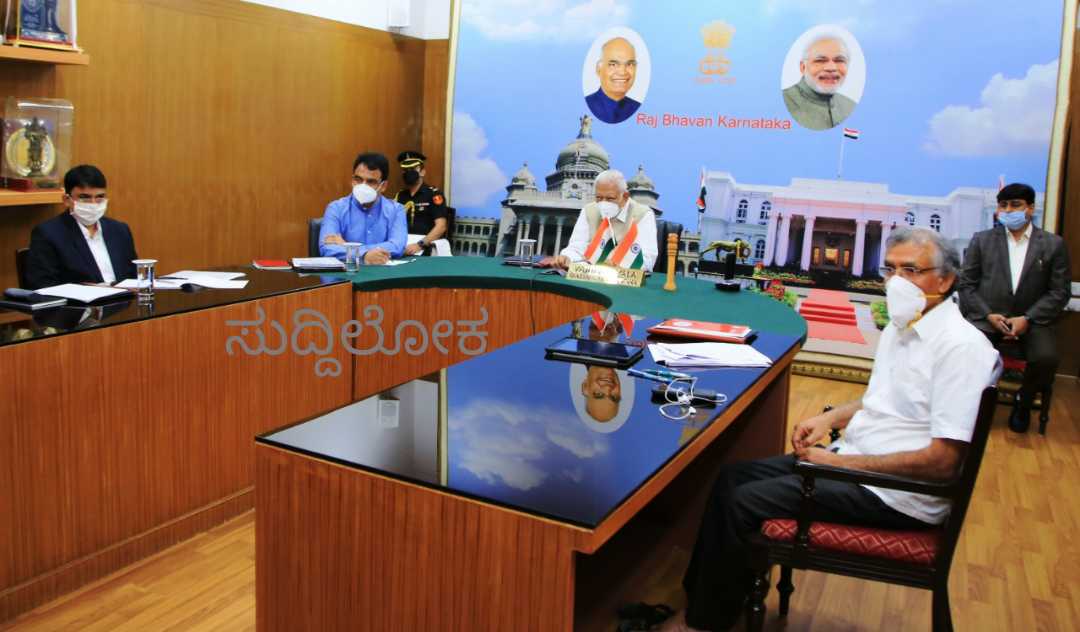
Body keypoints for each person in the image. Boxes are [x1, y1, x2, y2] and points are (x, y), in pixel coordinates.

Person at [657, 227, 998, 632]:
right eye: (890, 270)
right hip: (856, 463)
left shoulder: (961, 348)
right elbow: (887, 402)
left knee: (743, 501)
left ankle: (703, 625)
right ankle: (707, 603)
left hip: (895, 493)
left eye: (911, 271)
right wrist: (831, 419)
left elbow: (943, 463)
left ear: (945, 280)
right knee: (732, 477)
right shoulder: (903, 326)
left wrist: (841, 464)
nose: (897, 282)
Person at [957, 183, 1070, 433]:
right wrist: (988, 314)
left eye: (1015, 205)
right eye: (1003, 205)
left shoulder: (1053, 244)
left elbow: (1059, 292)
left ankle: (1024, 401)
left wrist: (1027, 318)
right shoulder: (982, 240)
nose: (1008, 210)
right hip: (988, 317)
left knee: (1046, 358)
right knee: (967, 351)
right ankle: (972, 405)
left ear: (1030, 208)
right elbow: (966, 284)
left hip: (1032, 321)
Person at [25, 165, 138, 290]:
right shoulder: (48, 233)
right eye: (85, 197)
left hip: (125, 300)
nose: (93, 204)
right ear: (67, 200)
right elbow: (42, 285)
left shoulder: (120, 230)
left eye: (99, 197)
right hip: (79, 302)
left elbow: (134, 276)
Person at [538, 169, 657, 271]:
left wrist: (619, 265)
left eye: (610, 198)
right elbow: (577, 247)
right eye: (599, 197)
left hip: (624, 279)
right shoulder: (589, 210)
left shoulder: (643, 215)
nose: (604, 203)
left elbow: (647, 259)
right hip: (591, 275)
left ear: (625, 196)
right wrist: (566, 257)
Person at [319, 152, 407, 265]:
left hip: (381, 272)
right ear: (352, 180)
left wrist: (347, 247)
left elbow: (397, 246)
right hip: (346, 273)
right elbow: (326, 248)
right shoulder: (336, 208)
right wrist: (364, 255)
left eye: (371, 182)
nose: (363, 185)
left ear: (383, 186)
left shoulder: (396, 210)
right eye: (358, 179)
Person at [782, 34, 856, 131]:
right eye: (820, 61)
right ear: (803, 67)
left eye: (839, 60)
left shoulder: (851, 106)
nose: (831, 68)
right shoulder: (783, 104)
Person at [394, 150, 448, 255]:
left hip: (425, 246)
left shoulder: (433, 194)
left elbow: (441, 226)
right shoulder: (400, 196)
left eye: (413, 169)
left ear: (422, 172)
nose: (409, 173)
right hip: (402, 246)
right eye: (405, 170)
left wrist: (420, 245)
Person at [585, 37, 641, 125]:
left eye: (629, 64)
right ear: (599, 69)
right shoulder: (585, 107)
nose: (622, 72)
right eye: (613, 64)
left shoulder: (638, 109)